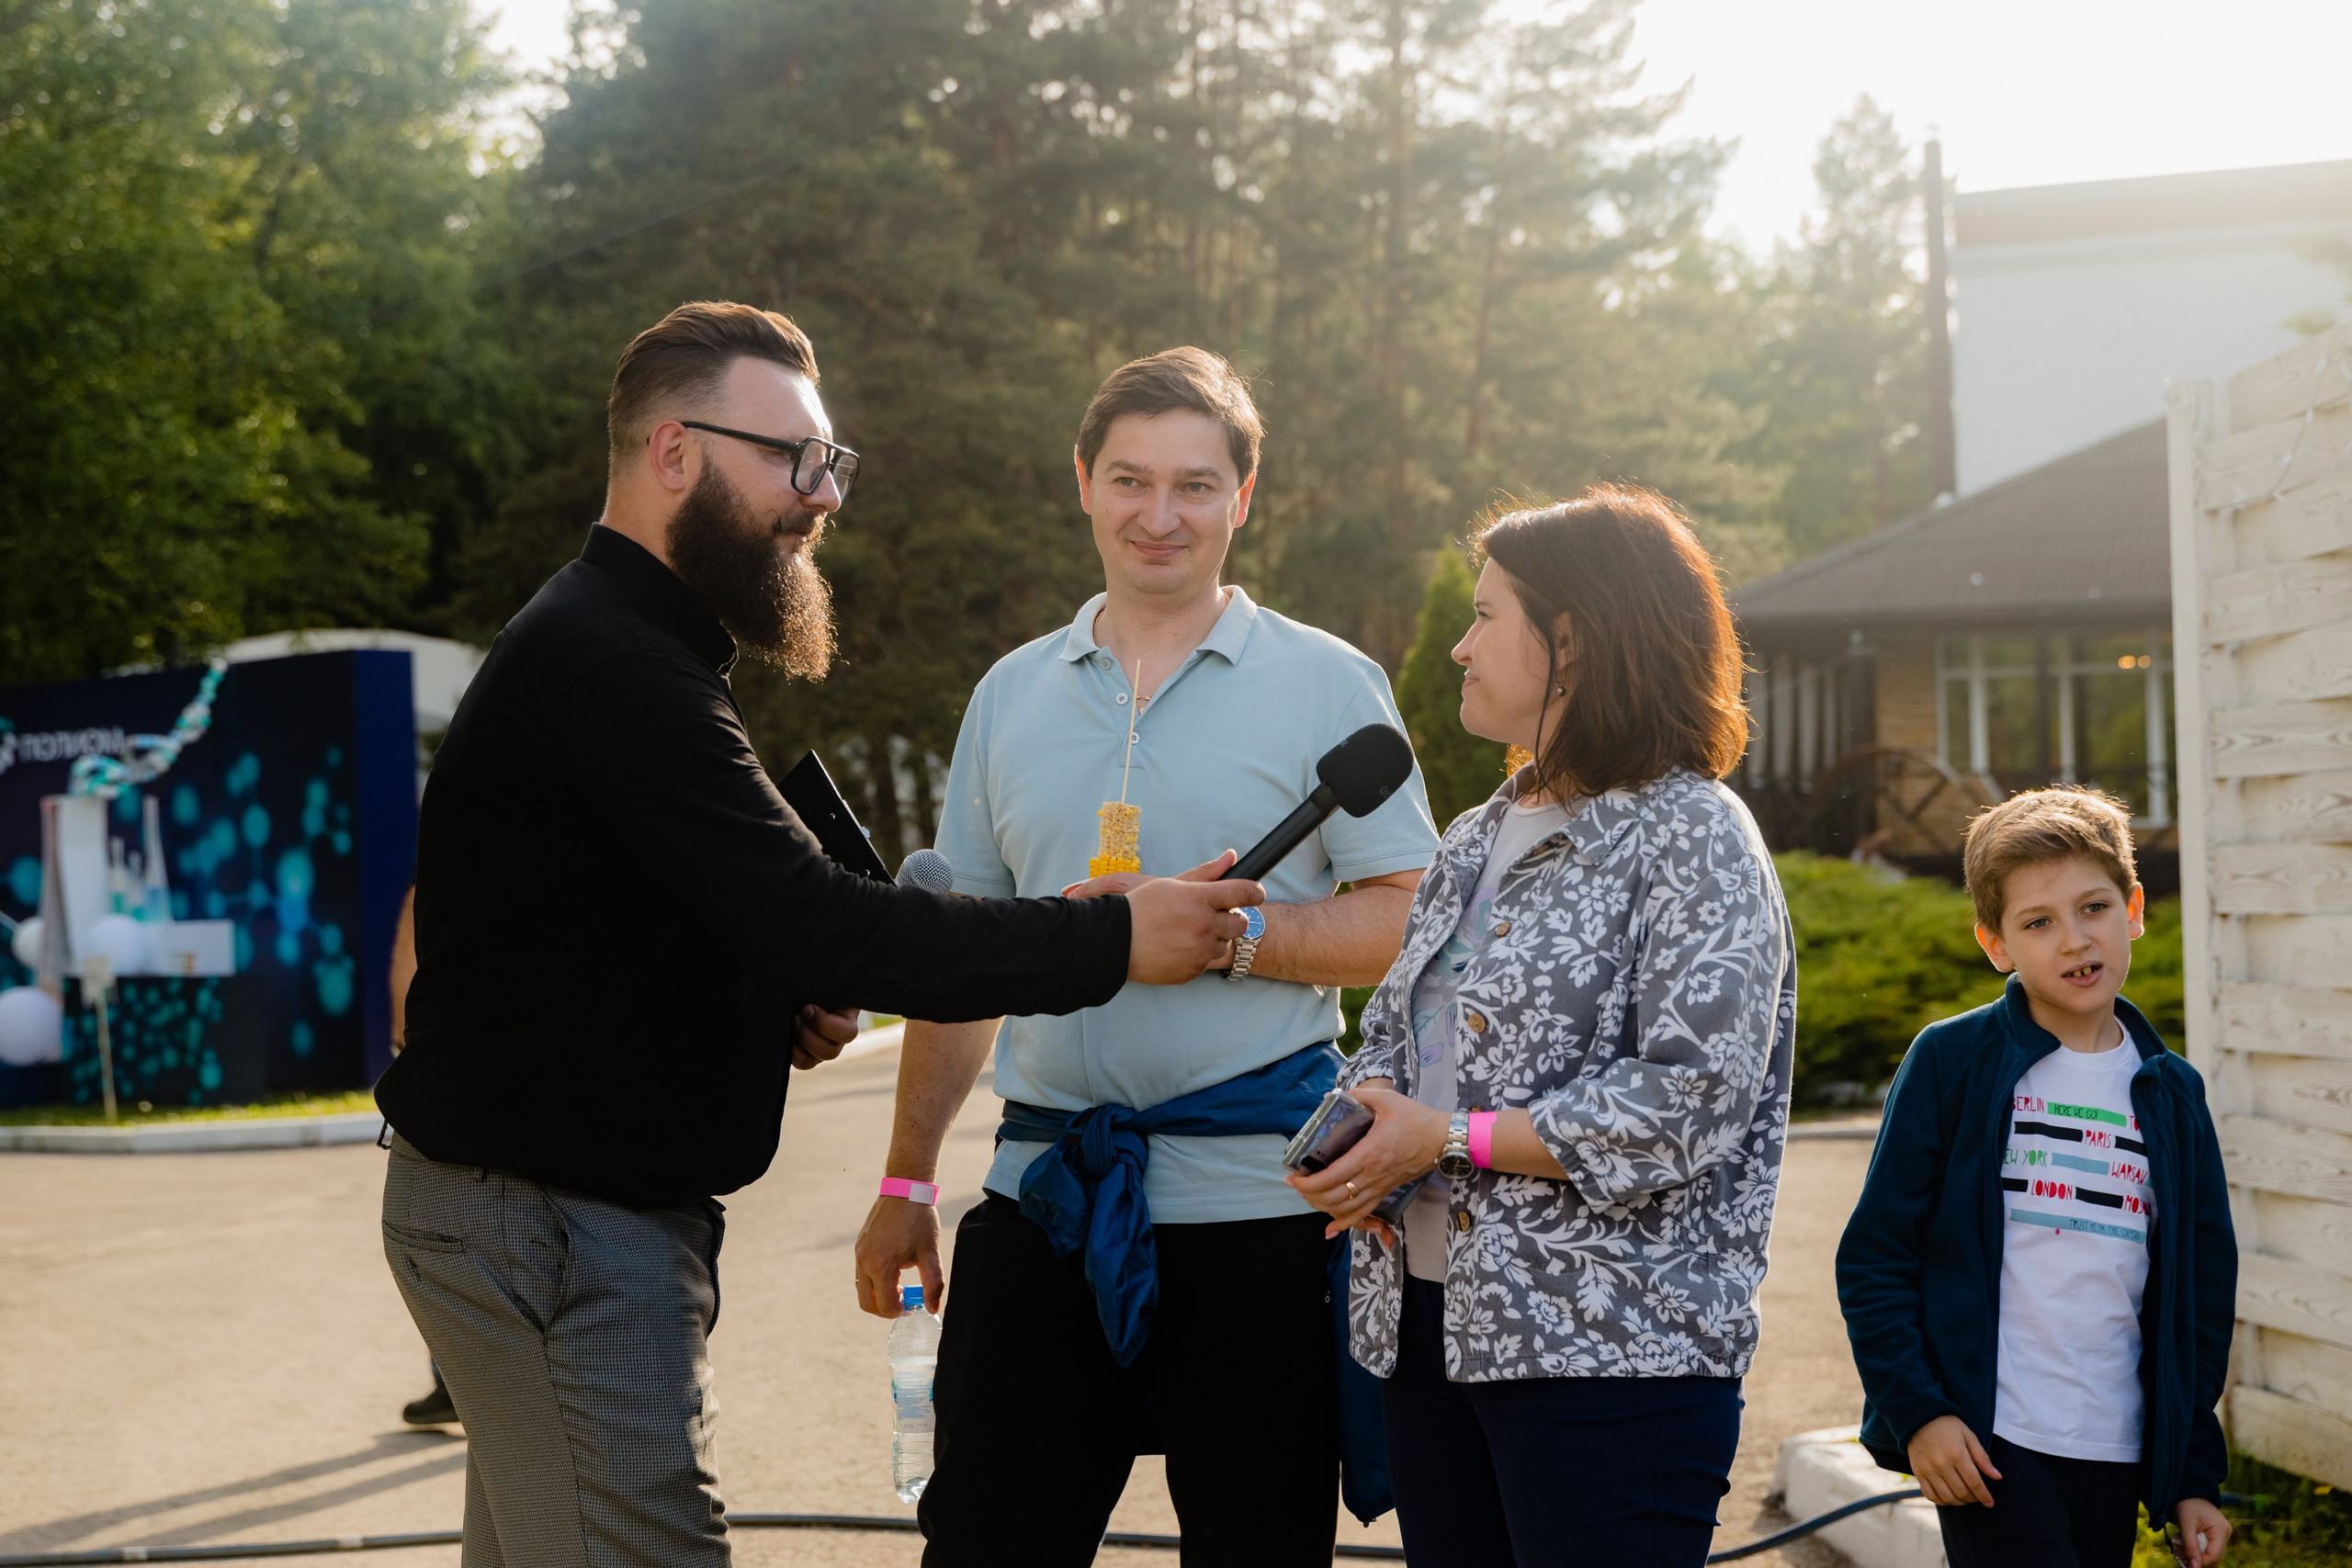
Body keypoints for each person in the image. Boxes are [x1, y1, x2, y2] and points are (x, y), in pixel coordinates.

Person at [373, 302, 1264, 1568]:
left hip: (547, 1214)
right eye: (793, 458)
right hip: (552, 1228)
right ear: (673, 451)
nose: (823, 496)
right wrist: (1115, 938)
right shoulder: (613, 665)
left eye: (830, 460)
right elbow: (830, 921)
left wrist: (757, 995)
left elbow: (620, 927)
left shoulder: (632, 648)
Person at [850, 347, 1440, 1565]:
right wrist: (907, 1182)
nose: (1159, 515)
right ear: (1082, 482)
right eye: (1130, 479)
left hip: (1262, 1214)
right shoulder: (1009, 693)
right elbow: (964, 962)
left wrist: (1236, 937)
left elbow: (1414, 915)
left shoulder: (1332, 683)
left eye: (1194, 485)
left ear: (1244, 496)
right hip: (1045, 1200)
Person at [1289, 485, 1797, 1568]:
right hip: (1428, 1335)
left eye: (1485, 616)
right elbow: (1397, 1037)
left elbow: (1688, 1100)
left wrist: (1444, 1140)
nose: (1460, 647)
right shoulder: (1477, 835)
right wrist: (1361, 1144)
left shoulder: (1694, 834)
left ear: (1572, 639)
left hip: (1611, 1356)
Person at [1837, 787, 2236, 1568]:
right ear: (1996, 944)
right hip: (1991, 1443)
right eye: (2038, 922)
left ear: (2134, 909)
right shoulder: (1952, 1062)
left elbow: (2200, 1295)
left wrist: (2193, 1472)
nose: (2075, 939)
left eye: (2094, 907)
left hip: (2115, 1445)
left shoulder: (2173, 1092)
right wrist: (1920, 1413)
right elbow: (1876, 1257)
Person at [383, 886, 458, 1429]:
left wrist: (405, 1047)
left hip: (450, 1062)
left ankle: (457, 1379)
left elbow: (406, 967)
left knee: (448, 1230)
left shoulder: (438, 875)